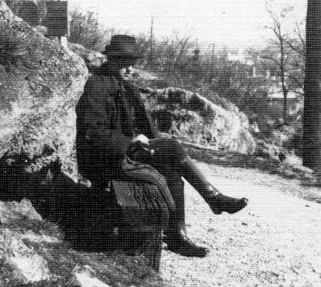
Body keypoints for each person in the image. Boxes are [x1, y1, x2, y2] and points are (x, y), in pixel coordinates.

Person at [76, 35, 248, 258]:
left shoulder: (126, 87)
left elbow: (146, 128)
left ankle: (178, 237)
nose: (130, 68)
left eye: (132, 63)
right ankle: (213, 198)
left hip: (125, 154)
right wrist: (131, 142)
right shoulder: (97, 85)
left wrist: (158, 149)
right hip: (104, 160)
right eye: (124, 63)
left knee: (172, 170)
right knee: (173, 147)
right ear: (111, 60)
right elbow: (92, 132)